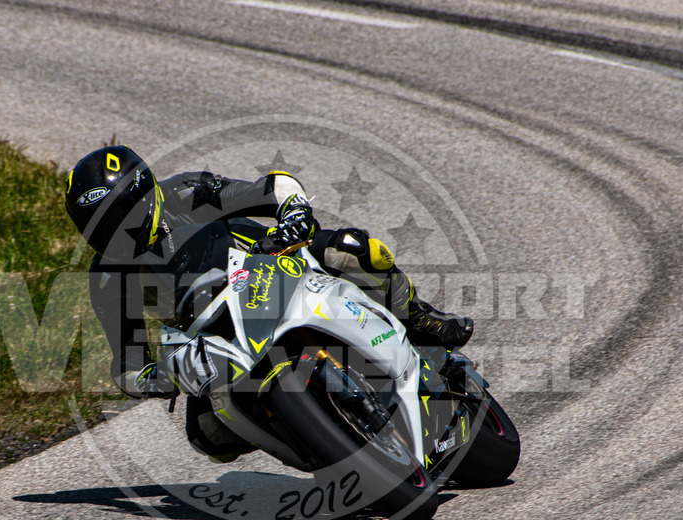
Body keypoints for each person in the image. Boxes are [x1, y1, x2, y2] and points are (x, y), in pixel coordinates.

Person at [65, 145, 473, 459]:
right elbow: (127, 361)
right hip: (213, 335)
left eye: (119, 215)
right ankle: (315, 440)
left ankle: (417, 318)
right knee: (209, 436)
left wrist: (293, 212)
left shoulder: (184, 194)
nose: (113, 232)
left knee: (353, 249)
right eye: (97, 224)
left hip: (274, 266)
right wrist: (155, 378)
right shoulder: (107, 278)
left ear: (144, 194)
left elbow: (271, 188)